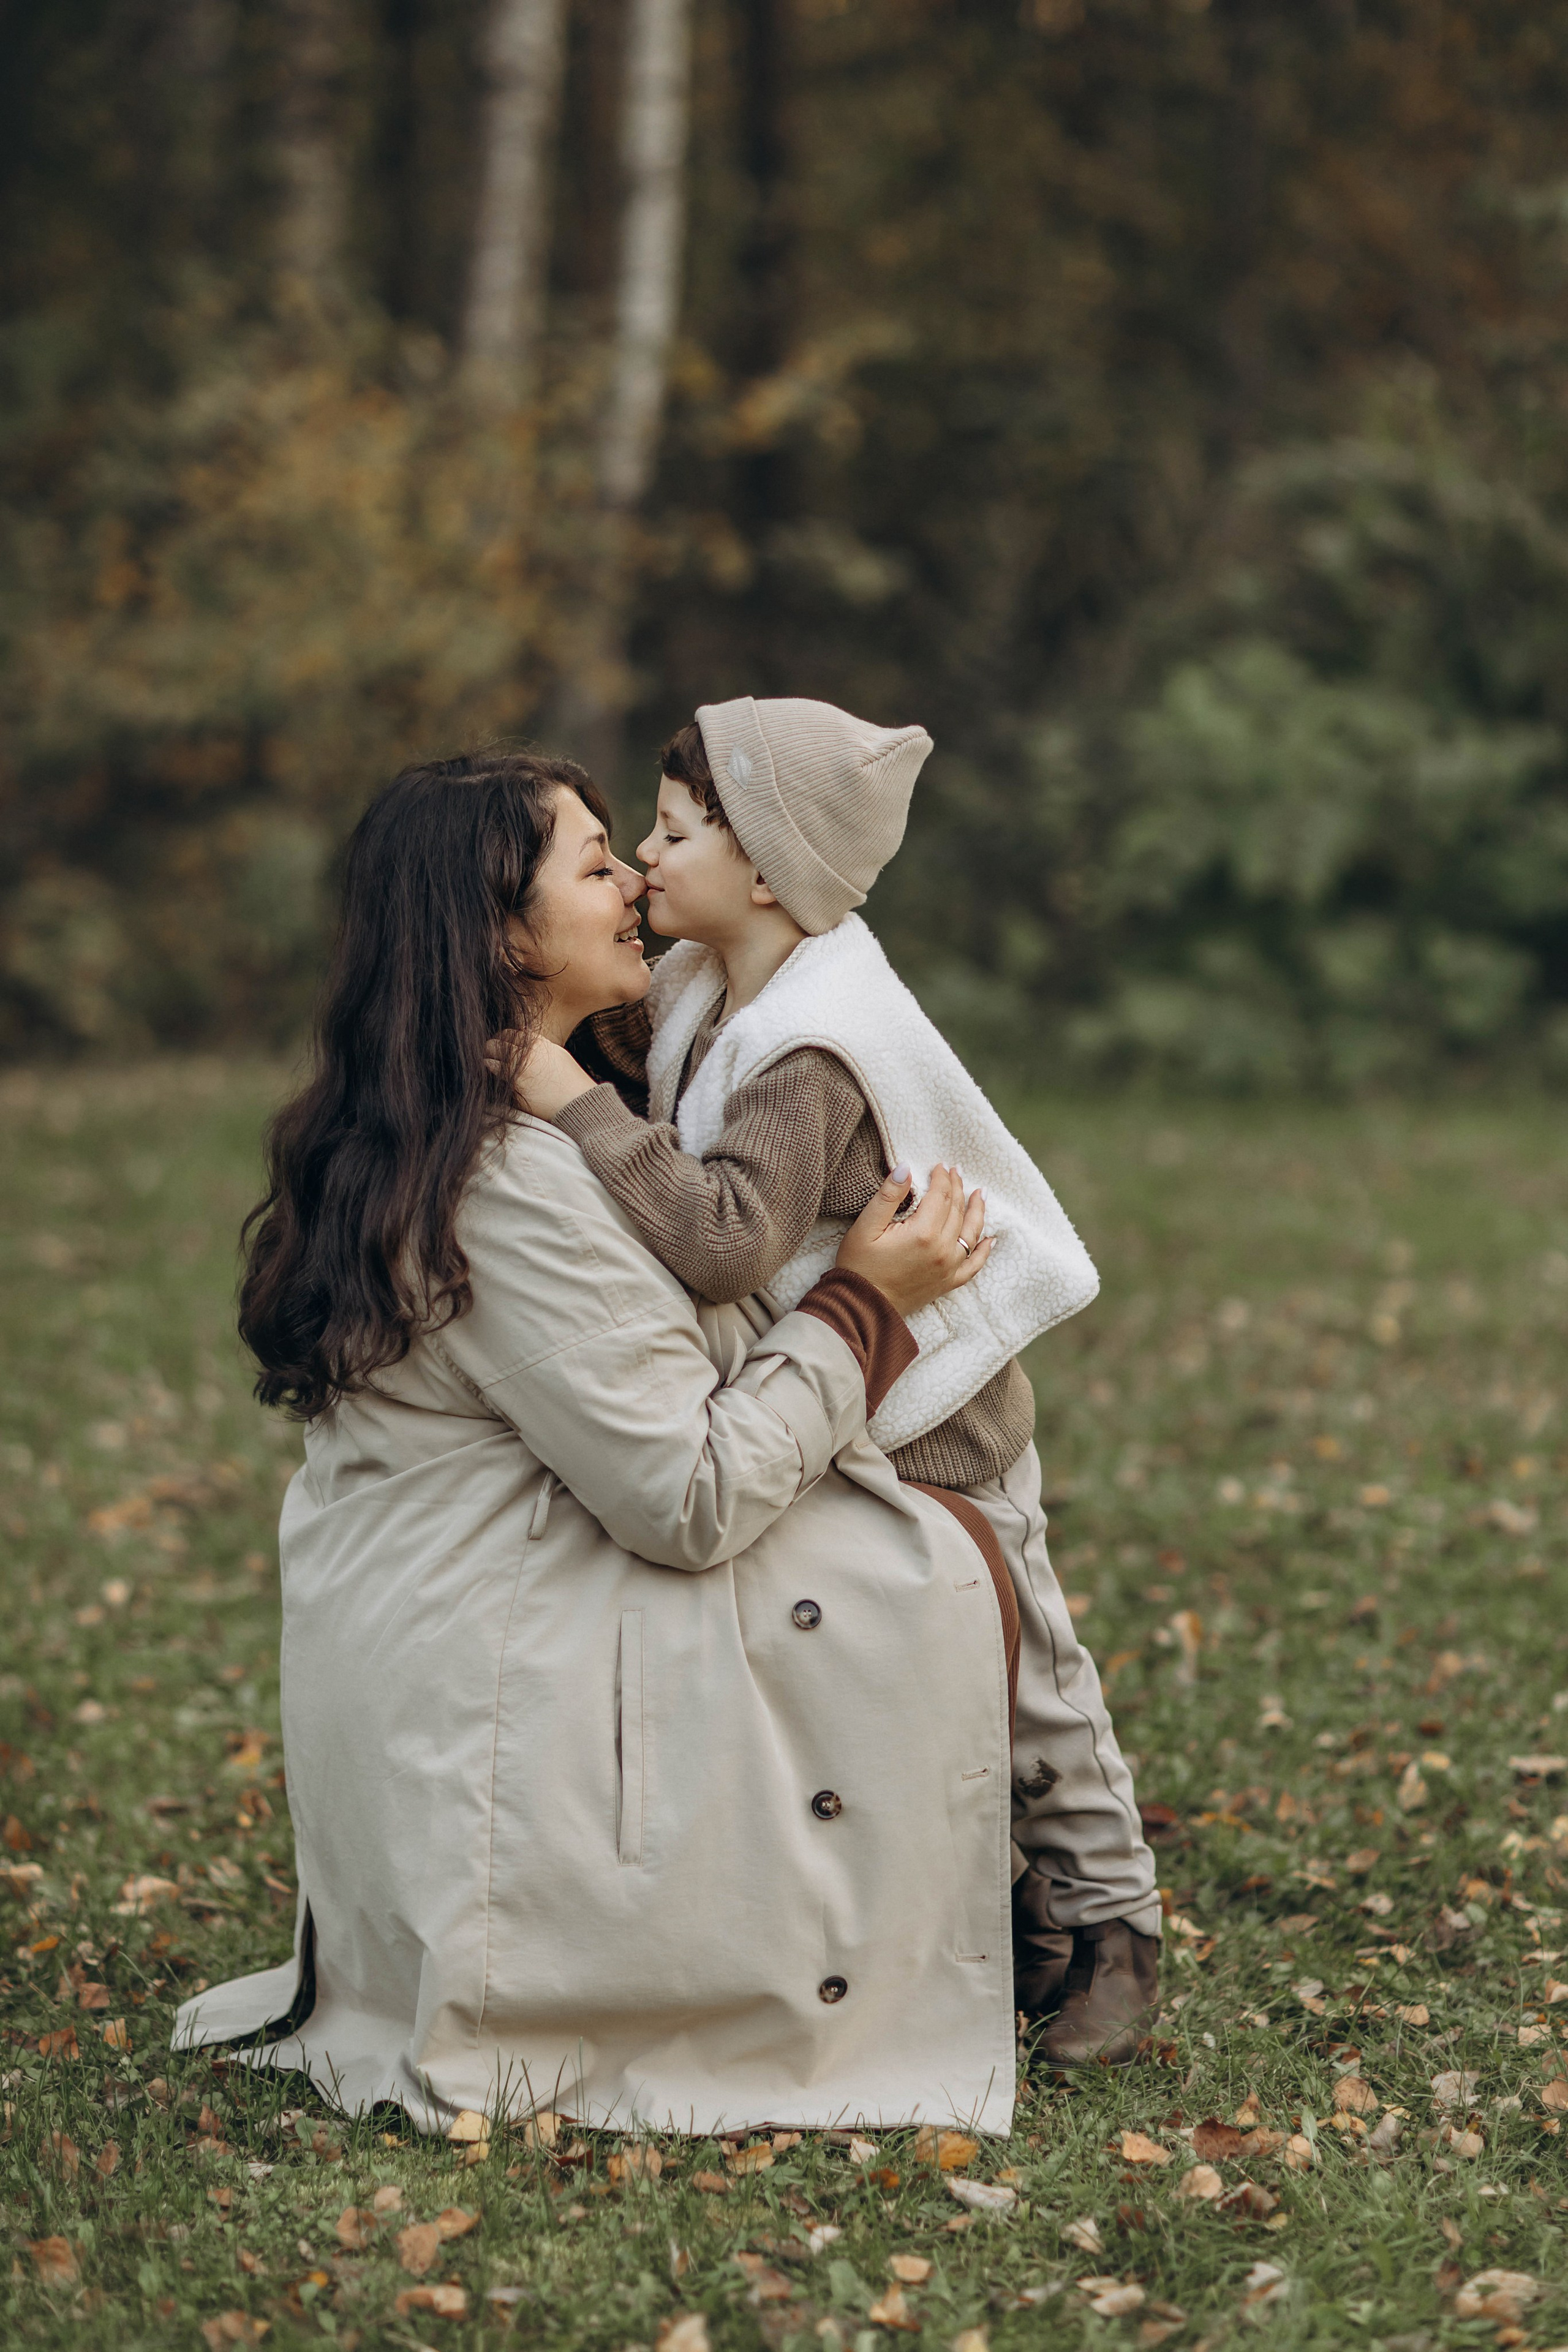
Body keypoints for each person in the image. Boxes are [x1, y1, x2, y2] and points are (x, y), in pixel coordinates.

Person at [175, 748, 1023, 2137]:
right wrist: (868, 1303)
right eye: (591, 865)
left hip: (443, 1657)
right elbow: (686, 1496)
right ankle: (1060, 1912)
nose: (633, 881)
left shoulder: (444, 1126)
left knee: (904, 1539)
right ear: (500, 935)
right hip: (497, 1693)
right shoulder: (502, 1183)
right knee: (934, 1557)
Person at [514, 698, 1161, 2063]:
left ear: (762, 872)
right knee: (885, 1663)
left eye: (672, 832)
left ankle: (1116, 1925)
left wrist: (560, 1098)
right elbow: (654, 1085)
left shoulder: (810, 1047)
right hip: (835, 1387)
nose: (639, 859)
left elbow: (724, 1236)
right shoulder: (718, 985)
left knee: (1021, 1668)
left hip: (935, 1414)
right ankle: (1019, 1915)